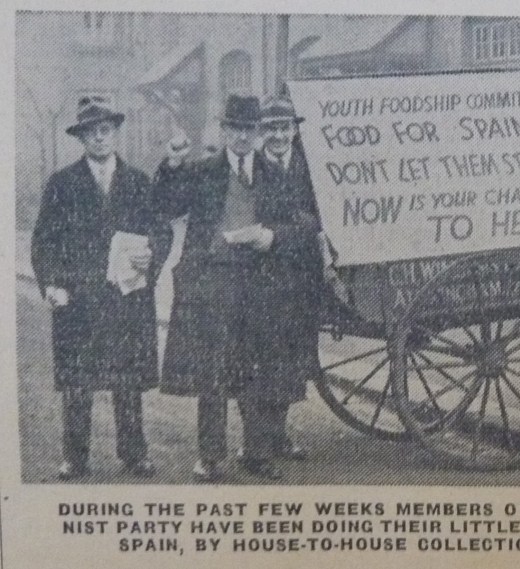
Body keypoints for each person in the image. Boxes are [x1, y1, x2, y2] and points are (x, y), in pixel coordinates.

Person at [154, 94, 321, 482]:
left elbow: (305, 226)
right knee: (213, 371)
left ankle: (256, 452)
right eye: (236, 129)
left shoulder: (273, 174)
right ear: (225, 131)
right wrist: (173, 164)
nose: (243, 137)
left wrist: (271, 235)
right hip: (213, 282)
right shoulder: (202, 170)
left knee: (256, 369)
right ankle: (210, 456)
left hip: (261, 284)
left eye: (250, 129)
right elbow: (164, 206)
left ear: (257, 132)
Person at [31, 96, 171, 480]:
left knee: (127, 381)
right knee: (78, 383)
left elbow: (160, 229)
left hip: (126, 297)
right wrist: (52, 284)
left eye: (105, 130)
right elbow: (44, 241)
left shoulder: (139, 182)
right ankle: (74, 457)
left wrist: (153, 255)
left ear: (116, 133)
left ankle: (134, 453)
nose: (99, 138)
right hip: (78, 299)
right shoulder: (62, 183)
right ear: (82, 138)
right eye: (91, 132)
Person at [249, 93, 325, 460]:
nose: (277, 136)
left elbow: (319, 217)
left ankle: (277, 433)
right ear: (262, 133)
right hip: (264, 279)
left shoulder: (310, 167)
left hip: (303, 278)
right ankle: (263, 438)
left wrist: (282, 234)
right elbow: (251, 222)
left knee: (294, 357)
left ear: (294, 130)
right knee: (266, 357)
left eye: (283, 128)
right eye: (270, 129)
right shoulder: (252, 169)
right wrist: (296, 228)